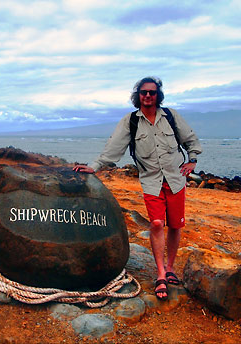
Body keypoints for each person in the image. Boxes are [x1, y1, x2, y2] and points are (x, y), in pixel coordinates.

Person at [73, 76, 202, 299]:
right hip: (151, 181)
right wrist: (94, 167)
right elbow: (113, 148)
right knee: (156, 223)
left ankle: (170, 268)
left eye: (152, 92)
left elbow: (190, 139)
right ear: (138, 95)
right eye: (144, 92)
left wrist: (192, 160)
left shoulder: (170, 116)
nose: (148, 96)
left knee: (175, 225)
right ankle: (160, 274)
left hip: (175, 179)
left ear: (158, 95)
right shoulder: (131, 121)